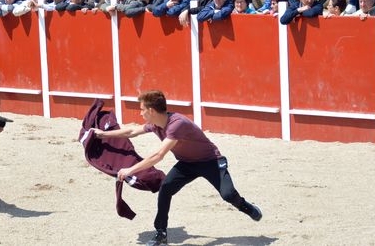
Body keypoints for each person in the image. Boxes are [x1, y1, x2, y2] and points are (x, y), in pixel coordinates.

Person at [93, 90, 261, 246]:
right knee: (165, 189)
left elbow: (158, 156)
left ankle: (245, 206)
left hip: (211, 161)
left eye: (142, 109)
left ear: (151, 110)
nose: (140, 112)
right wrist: (102, 134)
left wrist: (129, 170)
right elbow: (131, 131)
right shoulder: (156, 124)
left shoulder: (177, 124)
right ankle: (161, 232)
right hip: (187, 164)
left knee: (228, 194)